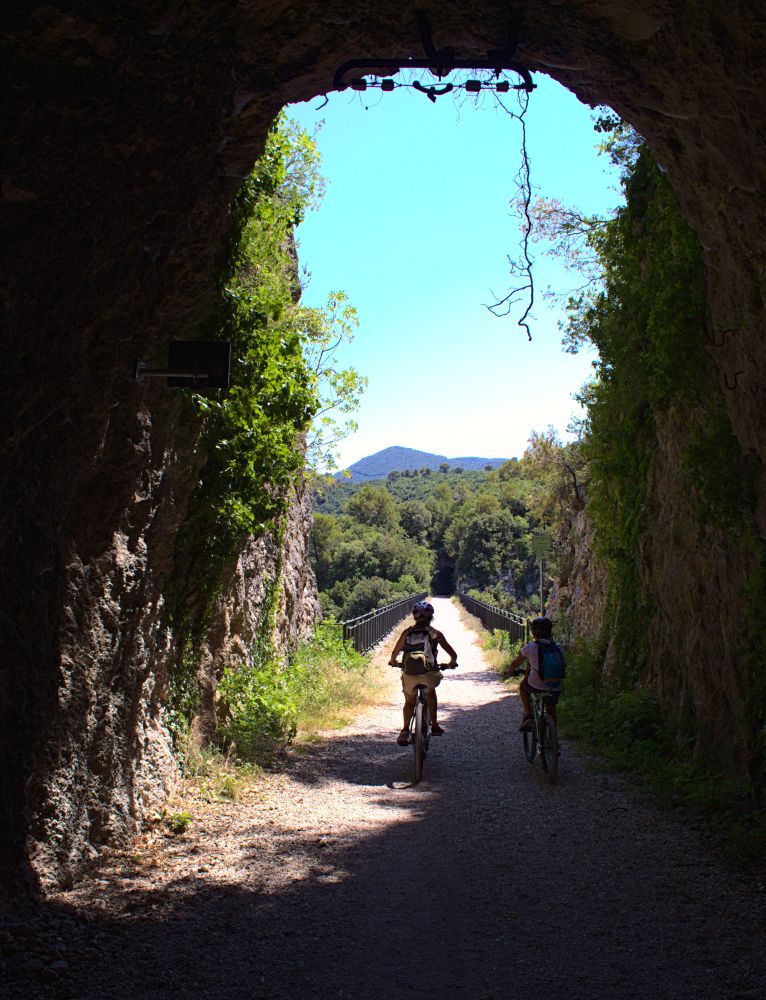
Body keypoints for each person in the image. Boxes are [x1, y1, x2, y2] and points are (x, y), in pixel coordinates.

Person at [388, 601, 458, 745]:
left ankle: (405, 731)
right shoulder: (435, 633)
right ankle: (435, 725)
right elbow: (453, 655)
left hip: (409, 674)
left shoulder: (407, 632)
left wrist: (393, 661)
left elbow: (394, 653)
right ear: (430, 617)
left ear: (414, 617)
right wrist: (450, 663)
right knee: (430, 692)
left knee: (409, 701)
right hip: (428, 674)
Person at [509, 616, 563, 730]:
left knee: (523, 687)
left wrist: (510, 671)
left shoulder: (531, 647)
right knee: (551, 707)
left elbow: (516, 663)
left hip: (536, 685)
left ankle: (528, 715)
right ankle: (553, 739)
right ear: (549, 631)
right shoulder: (558, 647)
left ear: (533, 632)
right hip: (556, 685)